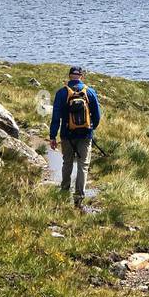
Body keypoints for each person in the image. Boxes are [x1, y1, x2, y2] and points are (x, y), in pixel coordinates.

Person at [49, 66, 101, 207]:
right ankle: (79, 195)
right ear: (81, 76)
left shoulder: (61, 93)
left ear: (69, 76)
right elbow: (97, 116)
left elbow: (56, 117)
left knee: (67, 162)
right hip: (85, 134)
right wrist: (91, 128)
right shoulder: (90, 92)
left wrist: (52, 136)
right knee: (83, 165)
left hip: (67, 134)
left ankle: (65, 189)